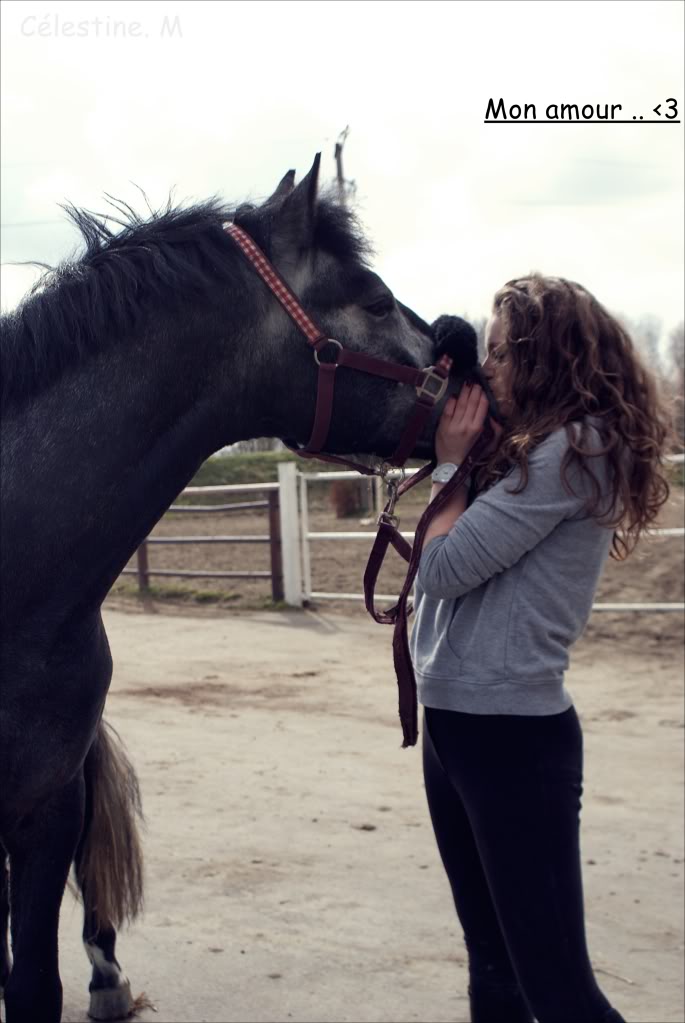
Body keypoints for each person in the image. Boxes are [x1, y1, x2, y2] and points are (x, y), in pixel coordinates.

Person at [409, 274, 674, 1023]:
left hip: (512, 740)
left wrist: (450, 465)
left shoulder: (577, 448)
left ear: (543, 354)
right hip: (456, 725)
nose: (487, 370)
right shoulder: (531, 448)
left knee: (557, 990)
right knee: (492, 967)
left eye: (498, 353)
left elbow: (442, 565)